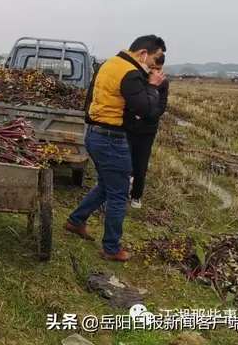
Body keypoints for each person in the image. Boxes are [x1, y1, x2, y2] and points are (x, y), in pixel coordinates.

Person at [63, 35, 167, 262]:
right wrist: (152, 87)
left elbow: (89, 100)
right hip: (112, 139)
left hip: (94, 134)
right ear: (143, 53)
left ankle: (75, 221)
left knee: (105, 185)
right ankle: (111, 248)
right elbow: (148, 109)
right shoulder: (131, 73)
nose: (154, 65)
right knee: (119, 195)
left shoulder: (109, 64)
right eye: (155, 59)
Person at [126, 53, 169, 209]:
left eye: (158, 69)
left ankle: (136, 195)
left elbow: (160, 107)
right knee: (125, 161)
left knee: (141, 163)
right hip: (129, 127)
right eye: (152, 68)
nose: (154, 72)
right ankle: (122, 191)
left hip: (147, 130)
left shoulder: (163, 84)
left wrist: (143, 113)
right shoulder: (137, 77)